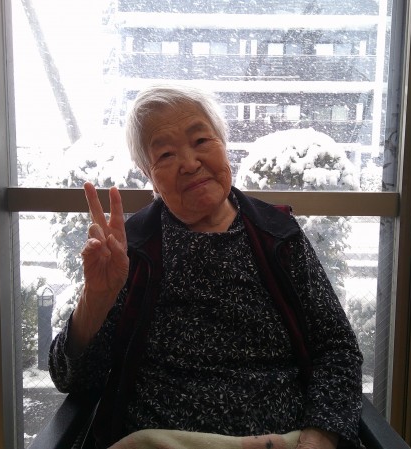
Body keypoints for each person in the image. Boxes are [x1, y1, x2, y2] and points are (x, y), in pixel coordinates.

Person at [49, 84, 363, 449]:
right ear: (148, 174)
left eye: (200, 140)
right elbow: (73, 379)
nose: (189, 163)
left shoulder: (278, 236)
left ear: (223, 143)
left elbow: (337, 349)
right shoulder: (129, 251)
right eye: (165, 154)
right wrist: (95, 301)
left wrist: (320, 435)